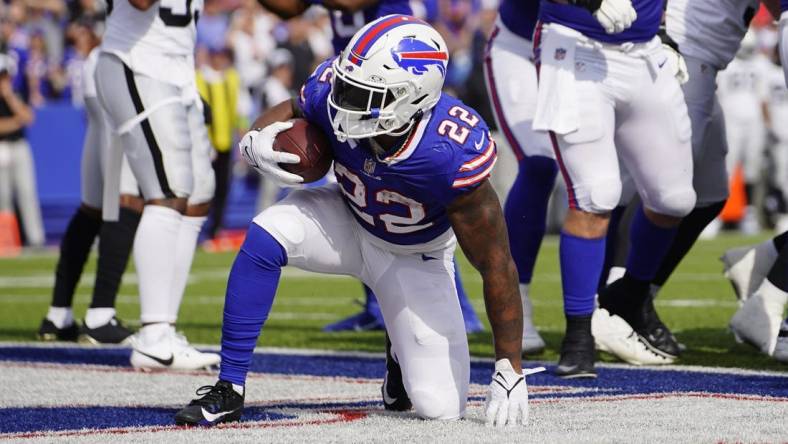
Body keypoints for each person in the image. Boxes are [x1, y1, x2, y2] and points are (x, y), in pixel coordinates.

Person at [175, 15, 542, 427]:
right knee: (267, 234)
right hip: (346, 216)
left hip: (413, 254)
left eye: (364, 94)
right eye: (347, 87)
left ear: (411, 98)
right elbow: (297, 106)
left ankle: (398, 354)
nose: (343, 102)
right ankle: (230, 386)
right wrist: (257, 138)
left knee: (439, 408)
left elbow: (496, 264)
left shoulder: (449, 150)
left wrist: (509, 368)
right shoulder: (334, 90)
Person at [257, 0, 482, 334]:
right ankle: (379, 307)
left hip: (391, 84)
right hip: (350, 86)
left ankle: (457, 308)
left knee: (417, 210)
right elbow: (289, 8)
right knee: (362, 199)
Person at [597, 0, 784, 366]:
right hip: (682, 54)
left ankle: (635, 294)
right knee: (656, 191)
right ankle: (614, 308)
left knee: (710, 195)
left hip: (701, 61)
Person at [535, 0, 697, 377]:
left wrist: (661, 29)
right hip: (576, 45)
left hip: (643, 52)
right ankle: (578, 334)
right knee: (596, 194)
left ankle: (630, 297)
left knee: (674, 199)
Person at [94, 0, 219, 369]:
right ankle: (153, 334)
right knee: (167, 191)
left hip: (180, 72)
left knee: (197, 197)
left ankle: (166, 329)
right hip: (137, 62)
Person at [38, 42, 142, 345]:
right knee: (126, 198)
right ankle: (100, 314)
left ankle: (58, 314)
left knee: (93, 207)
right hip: (125, 63)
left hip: (103, 63)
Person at [483, 0, 554, 355]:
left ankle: (615, 299)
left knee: (618, 178)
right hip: (521, 48)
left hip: (592, 56)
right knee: (540, 163)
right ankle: (516, 295)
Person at [0, 53, 45, 250]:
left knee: (27, 192)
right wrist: (16, 122)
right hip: (1, 148)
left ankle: (35, 239)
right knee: (3, 196)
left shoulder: (15, 94)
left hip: (19, 146)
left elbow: (28, 117)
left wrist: (9, 96)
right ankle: (7, 240)